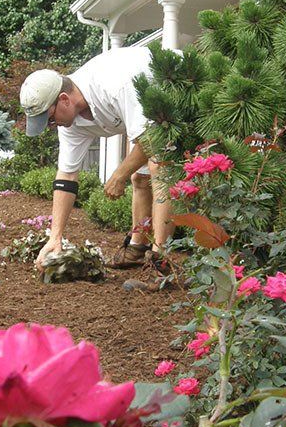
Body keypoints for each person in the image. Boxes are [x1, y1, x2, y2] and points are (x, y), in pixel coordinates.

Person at [19, 46, 173, 271]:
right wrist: (55, 237)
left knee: (159, 166)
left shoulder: (113, 85)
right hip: (151, 115)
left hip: (179, 88)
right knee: (140, 180)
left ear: (64, 99)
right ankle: (137, 249)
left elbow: (152, 141)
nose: (51, 127)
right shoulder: (70, 121)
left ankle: (161, 263)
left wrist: (119, 175)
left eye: (50, 120)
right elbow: (67, 176)